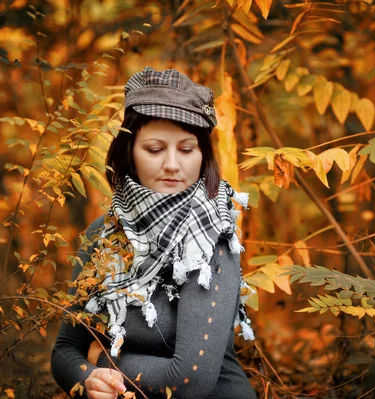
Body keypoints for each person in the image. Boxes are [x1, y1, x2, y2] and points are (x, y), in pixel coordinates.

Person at [51, 66, 256, 399]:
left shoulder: (210, 240)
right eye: (155, 149)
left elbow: (189, 381)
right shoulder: (102, 235)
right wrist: (88, 379)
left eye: (187, 150)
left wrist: (100, 358)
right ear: (129, 152)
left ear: (203, 156)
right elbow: (64, 350)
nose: (173, 164)